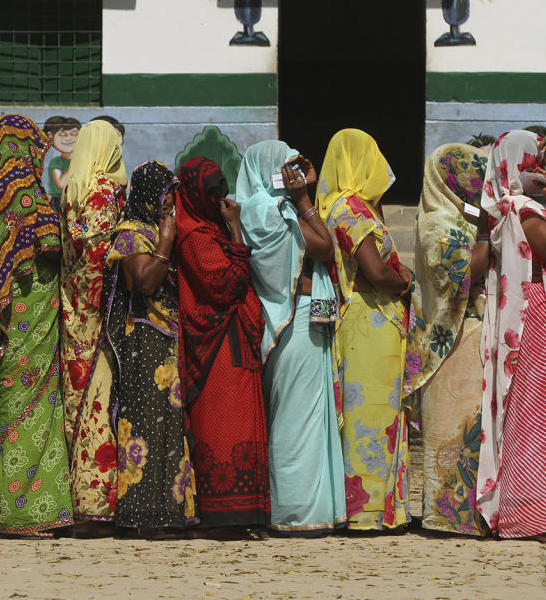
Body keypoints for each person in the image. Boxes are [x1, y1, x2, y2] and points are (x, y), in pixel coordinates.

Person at [473, 130, 546, 540]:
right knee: (544, 417)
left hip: (521, 314)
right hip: (536, 314)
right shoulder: (524, 208)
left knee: (536, 413)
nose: (538, 167)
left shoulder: (501, 206)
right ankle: (541, 514)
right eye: (530, 160)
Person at [0, 114, 73, 538]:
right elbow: (51, 246)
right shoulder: (28, 193)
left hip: (5, 322)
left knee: (13, 409)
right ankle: (28, 513)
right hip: (35, 316)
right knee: (38, 408)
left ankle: (14, 510)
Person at [235, 141, 346, 535]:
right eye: (286, 168)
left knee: (298, 412)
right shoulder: (267, 210)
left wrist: (302, 195)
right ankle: (293, 510)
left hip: (285, 319)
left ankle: (298, 507)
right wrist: (303, 198)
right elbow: (323, 247)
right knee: (296, 415)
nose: (292, 175)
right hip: (289, 318)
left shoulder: (259, 208)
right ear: (267, 169)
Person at [317, 128, 412, 531]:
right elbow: (374, 271)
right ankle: (372, 511)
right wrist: (403, 281)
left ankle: (358, 507)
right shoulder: (353, 210)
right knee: (376, 416)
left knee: (360, 415)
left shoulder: (334, 206)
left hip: (358, 320)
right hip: (373, 323)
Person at [102, 161, 197, 537]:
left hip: (169, 340)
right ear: (147, 197)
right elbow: (143, 282)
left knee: (170, 428)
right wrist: (166, 244)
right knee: (144, 426)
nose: (171, 202)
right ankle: (142, 515)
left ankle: (170, 511)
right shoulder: (131, 233)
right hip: (145, 343)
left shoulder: (158, 229)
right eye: (165, 195)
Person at [176, 156, 270, 534]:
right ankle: (222, 513)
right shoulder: (193, 233)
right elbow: (225, 284)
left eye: (222, 191)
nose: (219, 200)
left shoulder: (207, 225)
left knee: (244, 419)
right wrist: (234, 229)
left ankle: (247, 511)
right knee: (222, 423)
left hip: (234, 339)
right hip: (213, 346)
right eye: (211, 194)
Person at [403, 142, 489, 535]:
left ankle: (472, 514)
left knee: (473, 428)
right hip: (451, 341)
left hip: (472, 336)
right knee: (451, 431)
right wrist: (489, 234)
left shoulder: (465, 217)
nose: (474, 187)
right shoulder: (437, 222)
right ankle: (444, 515)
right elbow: (459, 274)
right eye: (466, 180)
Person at [60, 119, 127, 531]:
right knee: (99, 405)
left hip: (74, 314)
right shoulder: (103, 193)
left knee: (77, 402)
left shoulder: (71, 190)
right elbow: (102, 259)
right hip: (99, 315)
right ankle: (98, 504)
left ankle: (77, 499)